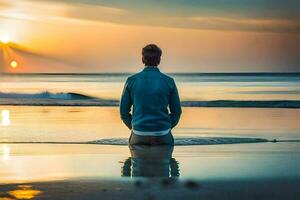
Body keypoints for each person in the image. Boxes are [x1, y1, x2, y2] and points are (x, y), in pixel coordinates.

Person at [120, 44, 182, 145]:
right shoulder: (169, 81)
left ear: (143, 60)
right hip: (163, 134)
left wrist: (135, 127)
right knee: (170, 161)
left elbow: (123, 113)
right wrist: (166, 127)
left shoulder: (131, 80)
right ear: (159, 60)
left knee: (131, 160)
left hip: (139, 133)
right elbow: (177, 112)